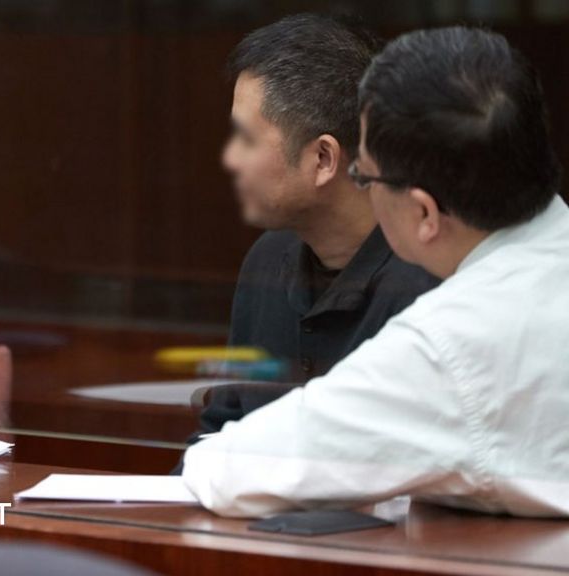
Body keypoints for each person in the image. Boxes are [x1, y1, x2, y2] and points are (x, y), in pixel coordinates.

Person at [183, 26, 569, 518]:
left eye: (364, 175)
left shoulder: (452, 342)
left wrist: (209, 457)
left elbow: (241, 469)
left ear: (424, 214)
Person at [181, 14, 437, 451]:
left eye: (246, 139)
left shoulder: (427, 284)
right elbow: (221, 429)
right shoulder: (268, 259)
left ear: (323, 159)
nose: (230, 159)